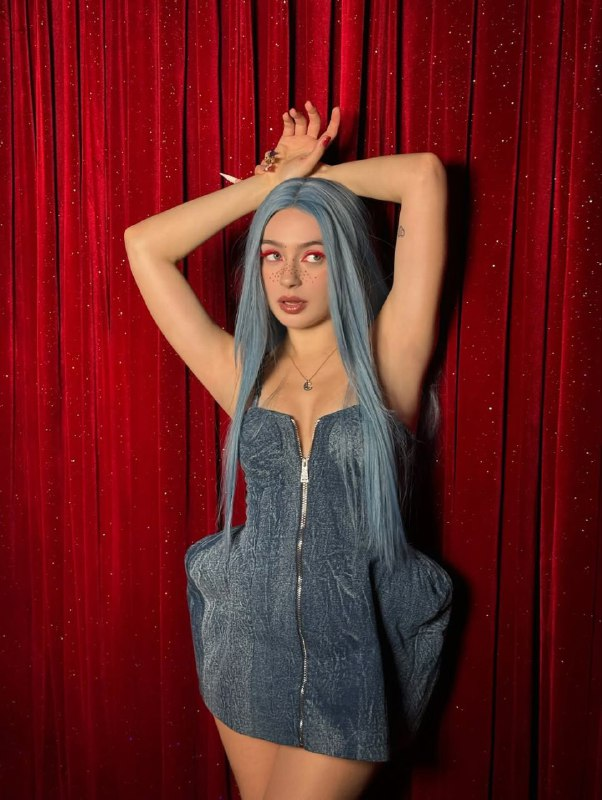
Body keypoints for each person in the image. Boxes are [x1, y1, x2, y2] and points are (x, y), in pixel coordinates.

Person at [124, 102, 452, 800]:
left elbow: (423, 178)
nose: (289, 279)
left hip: (353, 652)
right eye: (273, 256)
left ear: (344, 261)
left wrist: (307, 179)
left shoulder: (388, 358)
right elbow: (144, 244)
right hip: (247, 639)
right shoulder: (243, 373)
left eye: (314, 255)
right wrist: (268, 187)